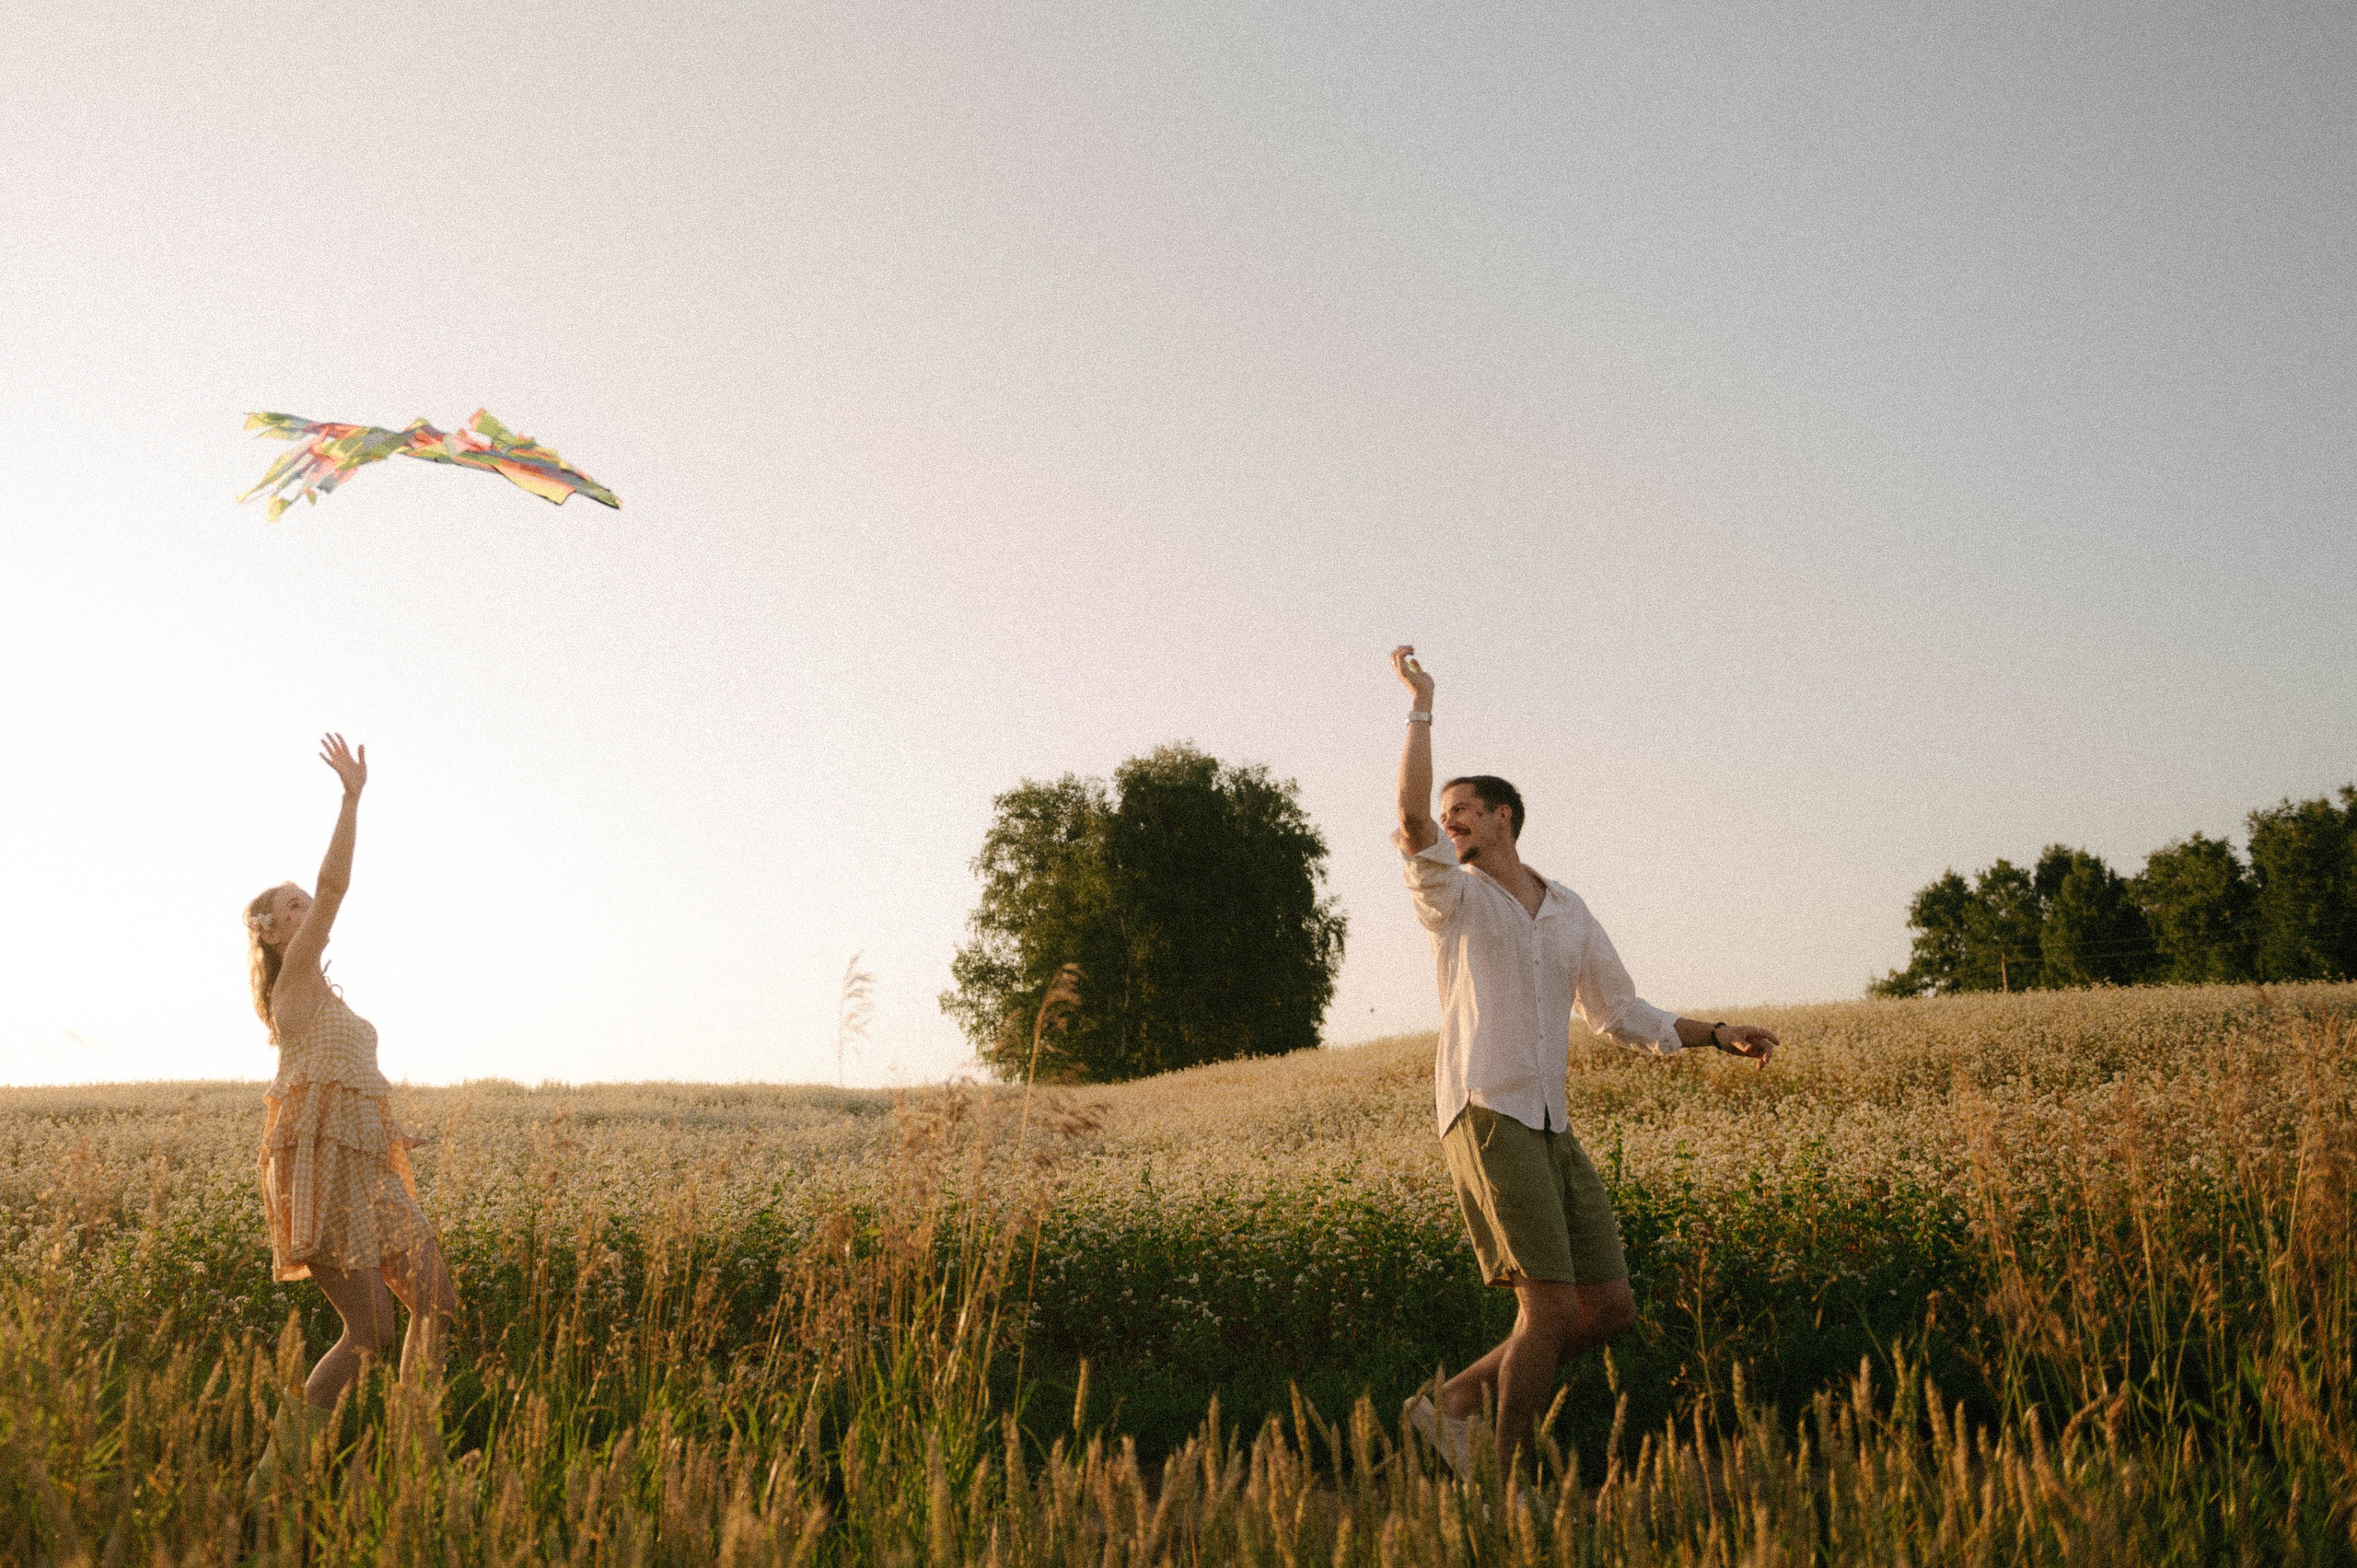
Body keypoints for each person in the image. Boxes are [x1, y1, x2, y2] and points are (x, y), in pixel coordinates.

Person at [1387, 647, 1777, 1484]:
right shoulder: (1452, 898)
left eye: (1464, 811)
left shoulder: (1569, 911)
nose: (1446, 822)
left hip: (1552, 1124)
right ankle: (1505, 1482)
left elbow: (1619, 1013)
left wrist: (1716, 1032)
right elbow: (1410, 820)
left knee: (1606, 1308)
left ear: (1503, 818)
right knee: (1546, 1307)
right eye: (1446, 812)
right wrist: (1422, 706)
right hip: (1486, 1110)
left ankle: (1452, 1402)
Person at [242, 734, 457, 1486]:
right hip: (320, 1176)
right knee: (368, 1331)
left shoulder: (326, 1001)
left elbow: (339, 1083)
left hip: (368, 1165)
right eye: (290, 905)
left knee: (433, 1300)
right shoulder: (291, 982)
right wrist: (351, 798)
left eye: (303, 901)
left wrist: (394, 1129)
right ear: (271, 932)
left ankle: (414, 1452)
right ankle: (273, 1479)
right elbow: (335, 888)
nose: (307, 907)